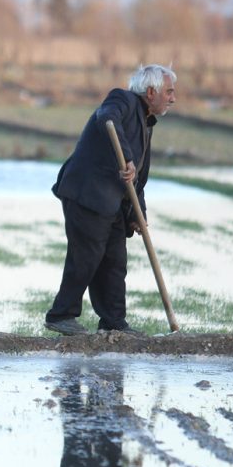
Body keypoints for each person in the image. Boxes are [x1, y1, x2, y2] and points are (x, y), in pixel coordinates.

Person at [45, 64, 176, 336]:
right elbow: (107, 118)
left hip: (113, 203)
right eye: (169, 92)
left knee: (115, 263)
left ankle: (114, 323)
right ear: (151, 91)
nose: (173, 98)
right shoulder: (122, 100)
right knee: (87, 257)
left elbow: (137, 177)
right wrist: (126, 157)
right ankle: (61, 315)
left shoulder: (147, 122)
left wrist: (137, 214)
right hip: (87, 194)